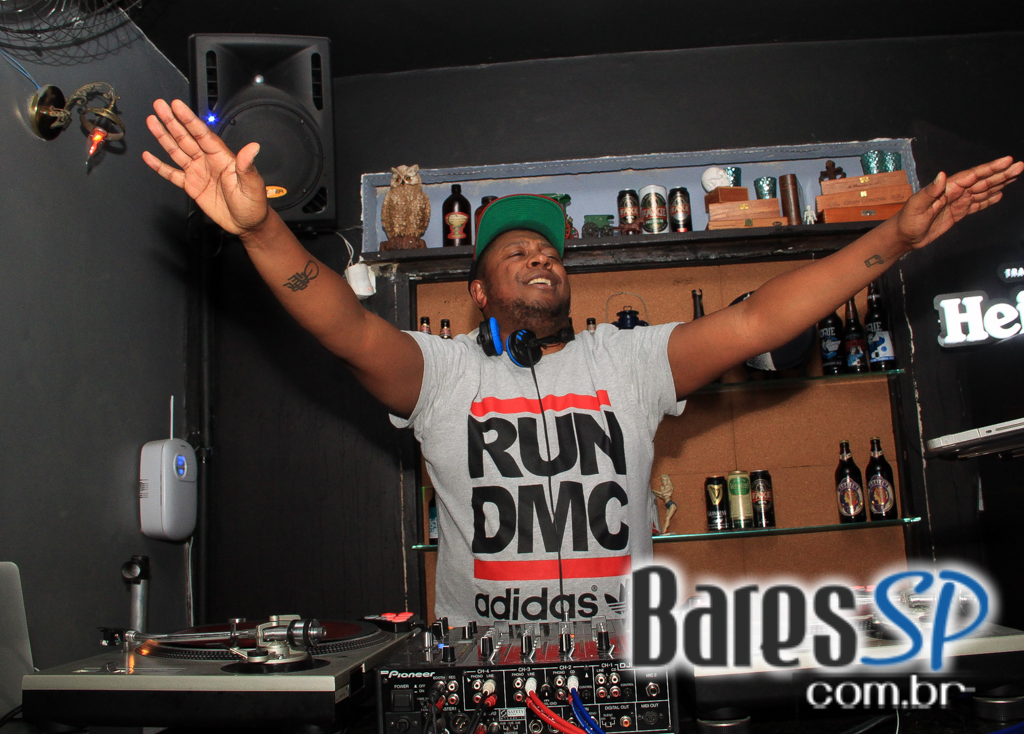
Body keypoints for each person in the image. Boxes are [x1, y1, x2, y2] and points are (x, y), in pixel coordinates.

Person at [143, 98, 1021, 625]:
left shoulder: (628, 362)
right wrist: (261, 228)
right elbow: (343, 325)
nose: (540, 257)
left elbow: (758, 320)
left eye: (550, 250)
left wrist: (895, 238)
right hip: (485, 674)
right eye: (515, 251)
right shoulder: (442, 375)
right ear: (478, 291)